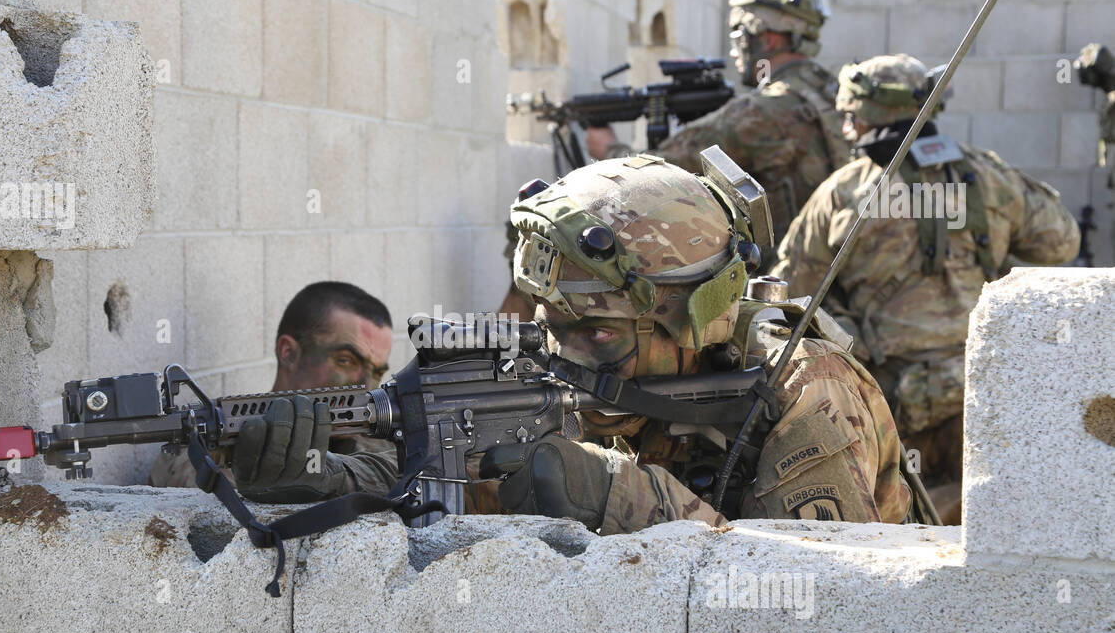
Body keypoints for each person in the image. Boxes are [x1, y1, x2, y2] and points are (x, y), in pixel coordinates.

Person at [233, 153, 913, 529]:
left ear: (693, 317)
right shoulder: (548, 365)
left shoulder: (803, 383)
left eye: (597, 331)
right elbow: (434, 474)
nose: (566, 353)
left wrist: (615, 494)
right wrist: (320, 475)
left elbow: (812, 591)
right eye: (552, 321)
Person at [771, 54, 1081, 524]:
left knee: (902, 537)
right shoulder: (985, 175)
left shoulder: (842, 192)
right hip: (981, 390)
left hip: (888, 400)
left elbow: (793, 293)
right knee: (995, 525)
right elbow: (1062, 241)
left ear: (860, 116)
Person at [587, 0, 852, 235]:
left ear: (769, 40)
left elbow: (660, 174)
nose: (735, 51)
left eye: (739, 37)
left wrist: (609, 149)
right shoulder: (836, 91)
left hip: (779, 275)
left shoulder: (760, 110)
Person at [148, 281, 396, 492]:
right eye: (346, 361)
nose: (367, 386)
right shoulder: (207, 444)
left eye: (376, 371)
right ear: (289, 353)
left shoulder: (384, 448)